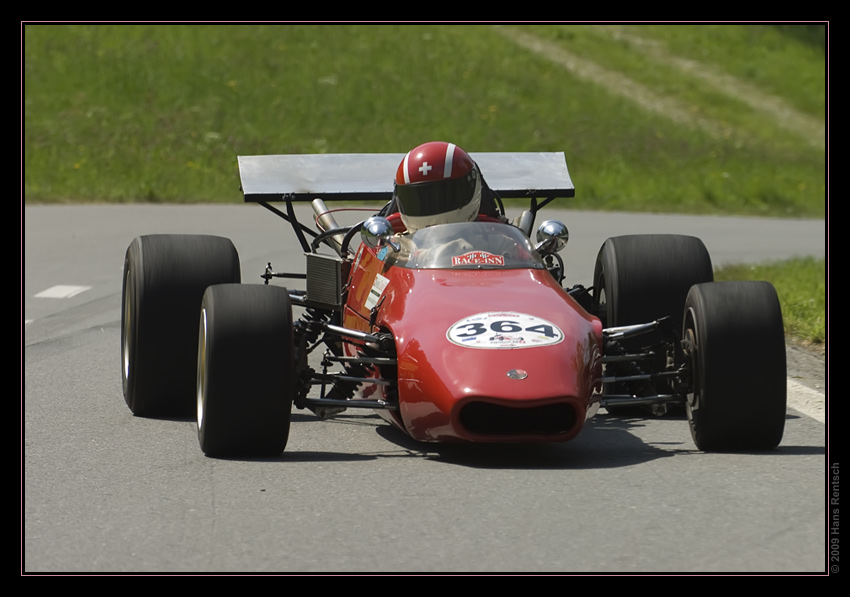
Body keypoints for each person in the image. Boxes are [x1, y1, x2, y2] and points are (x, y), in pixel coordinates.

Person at [379, 141, 505, 232]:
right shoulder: (390, 244)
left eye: (442, 197)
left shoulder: (500, 238)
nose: (430, 205)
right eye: (420, 199)